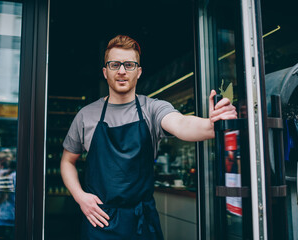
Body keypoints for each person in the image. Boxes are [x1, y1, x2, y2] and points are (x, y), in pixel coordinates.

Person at [60, 35, 237, 240]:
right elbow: (67, 161)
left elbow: (181, 124)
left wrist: (211, 125)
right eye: (115, 64)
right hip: (99, 221)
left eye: (129, 64)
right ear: (105, 72)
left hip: (141, 223)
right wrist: (80, 197)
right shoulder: (86, 115)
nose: (122, 71)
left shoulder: (153, 108)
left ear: (139, 71)